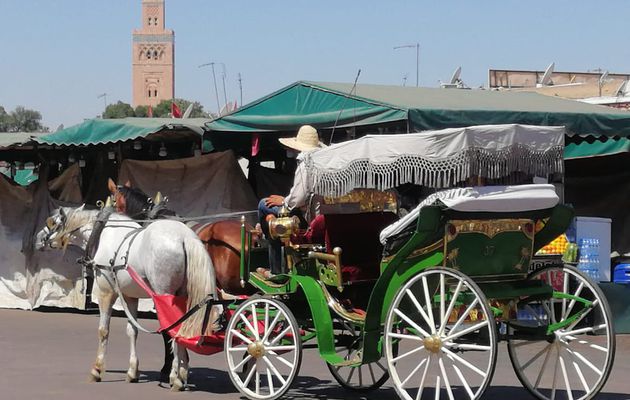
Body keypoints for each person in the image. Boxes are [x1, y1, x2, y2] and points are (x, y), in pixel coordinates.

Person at [257, 125, 326, 277]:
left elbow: (298, 199)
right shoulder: (324, 164)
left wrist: (284, 201)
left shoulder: (306, 165)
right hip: (321, 216)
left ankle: (275, 266)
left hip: (308, 218)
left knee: (263, 205)